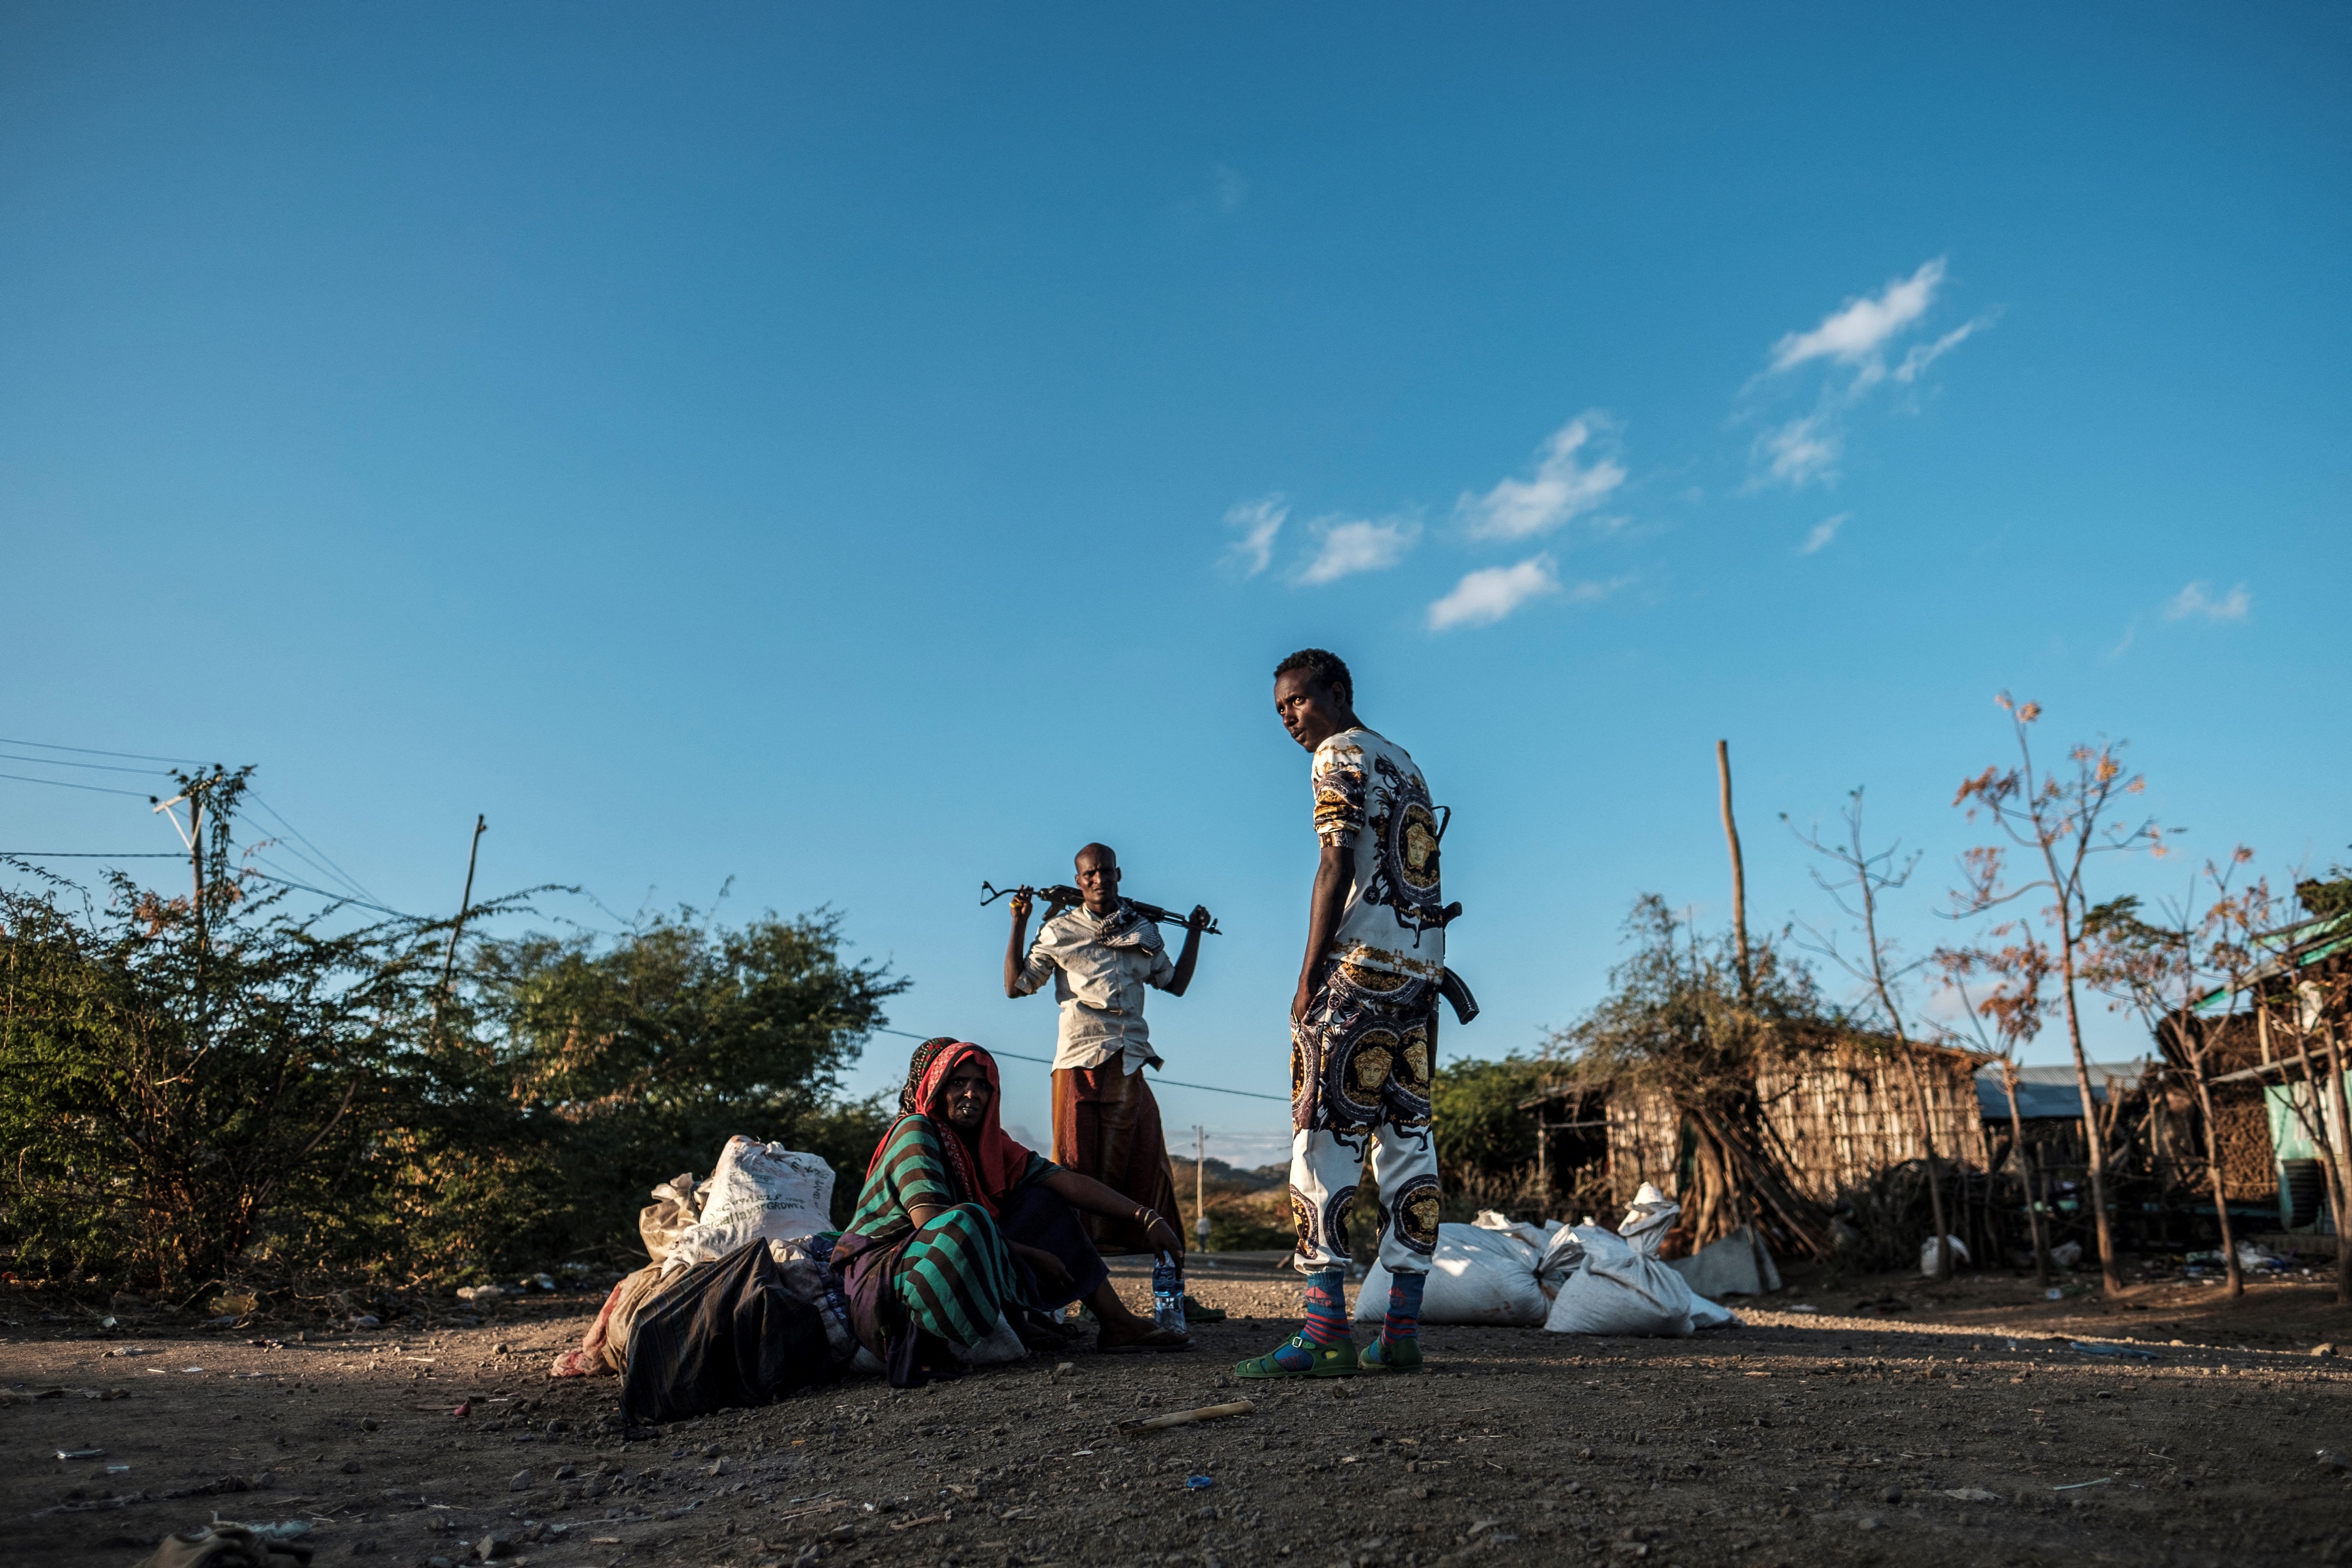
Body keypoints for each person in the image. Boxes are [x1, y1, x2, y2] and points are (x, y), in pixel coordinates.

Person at [1238, 648, 1445, 1379]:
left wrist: (1307, 978)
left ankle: (1325, 1334)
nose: (1289, 719)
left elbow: (1336, 861)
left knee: (1321, 1143)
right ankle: (1400, 1334)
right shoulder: (1406, 763)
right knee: (1407, 1143)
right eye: (1280, 710)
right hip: (1417, 980)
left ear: (1337, 691)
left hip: (1355, 977)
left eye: (1297, 700)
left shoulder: (1338, 755)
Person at [832, 1037, 1190, 1387]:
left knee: (1040, 1200)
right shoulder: (915, 1131)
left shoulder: (986, 1143)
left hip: (943, 1261)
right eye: (958, 1083)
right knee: (968, 1220)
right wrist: (1030, 1255)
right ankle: (949, 1337)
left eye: (983, 1085)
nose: (972, 1094)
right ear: (934, 1087)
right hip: (892, 1283)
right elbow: (934, 1226)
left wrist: (1146, 1217)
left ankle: (1116, 1323)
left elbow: (1064, 1181)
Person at [1005, 844, 1225, 1319]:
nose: (1099, 879)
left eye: (1105, 871)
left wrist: (1194, 933)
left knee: (1151, 1169)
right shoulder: (1059, 930)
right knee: (1075, 1175)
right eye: (1090, 874)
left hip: (1130, 1062)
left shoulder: (1143, 930)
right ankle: (1084, 1298)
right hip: (1078, 1065)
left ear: (1118, 874)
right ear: (1079, 881)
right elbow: (1016, 985)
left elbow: (1175, 983)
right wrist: (1020, 922)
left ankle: (1174, 1291)